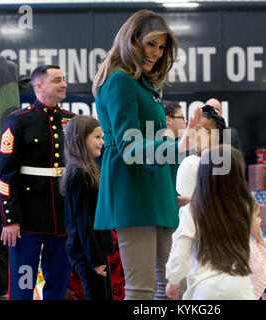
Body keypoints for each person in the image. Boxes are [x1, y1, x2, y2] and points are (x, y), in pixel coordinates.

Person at [91, 10, 202, 300]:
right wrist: (177, 145)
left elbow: (149, 143)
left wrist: (170, 188)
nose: (156, 52)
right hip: (132, 190)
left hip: (155, 191)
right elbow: (130, 146)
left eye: (162, 46)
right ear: (132, 40)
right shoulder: (120, 81)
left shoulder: (143, 83)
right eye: (150, 44)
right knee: (141, 289)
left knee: (172, 285)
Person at [165, 145, 266, 299]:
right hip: (241, 285)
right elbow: (254, 255)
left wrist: (173, 280)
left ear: (202, 176)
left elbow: (180, 253)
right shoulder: (245, 209)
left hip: (205, 286)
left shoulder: (192, 211)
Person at [0, 65, 75, 300]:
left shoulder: (72, 122)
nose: (63, 84)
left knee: (59, 282)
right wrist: (10, 220)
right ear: (39, 86)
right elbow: (6, 175)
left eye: (64, 79)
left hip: (62, 218)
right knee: (24, 283)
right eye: (57, 80)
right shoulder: (18, 121)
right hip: (27, 220)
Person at [61, 115, 115, 300]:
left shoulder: (89, 169)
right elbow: (82, 221)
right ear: (79, 138)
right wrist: (95, 260)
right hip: (89, 254)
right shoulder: (79, 173)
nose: (102, 142)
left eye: (102, 137)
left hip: (96, 251)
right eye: (97, 137)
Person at [176, 104, 226, 198]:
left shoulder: (228, 164)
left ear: (218, 136)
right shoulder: (190, 163)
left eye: (205, 132)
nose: (200, 136)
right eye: (196, 131)